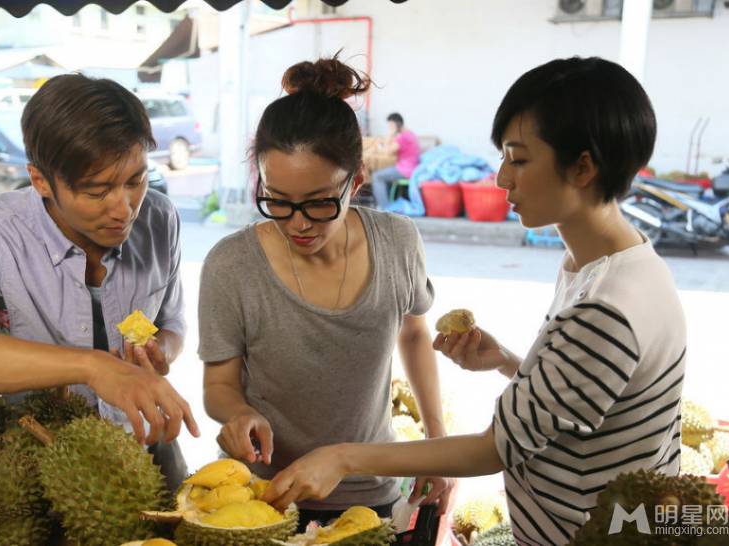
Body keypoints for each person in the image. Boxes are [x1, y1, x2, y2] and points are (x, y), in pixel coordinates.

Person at [262, 57, 686, 546]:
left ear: (583, 166)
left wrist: (343, 456)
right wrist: (508, 362)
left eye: (519, 159)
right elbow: (593, 401)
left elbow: (494, 449)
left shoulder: (607, 306)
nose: (502, 178)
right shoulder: (608, 265)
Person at [0, 74, 199, 489]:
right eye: (97, 191)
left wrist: (158, 352)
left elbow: (172, 323)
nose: (124, 208)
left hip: (145, 451)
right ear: (41, 180)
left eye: (135, 180)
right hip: (37, 466)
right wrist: (93, 368)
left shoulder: (159, 218)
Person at [198, 56, 455, 532]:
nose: (297, 223)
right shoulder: (231, 265)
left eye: (319, 203)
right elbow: (219, 385)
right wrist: (238, 414)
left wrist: (435, 438)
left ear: (355, 182)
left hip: (369, 492)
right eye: (276, 200)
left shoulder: (397, 243)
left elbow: (415, 335)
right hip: (260, 497)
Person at [370, 112, 420, 209]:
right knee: (383, 175)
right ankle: (387, 204)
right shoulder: (409, 134)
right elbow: (391, 150)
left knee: (377, 176)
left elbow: (388, 151)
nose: (389, 128)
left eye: (390, 126)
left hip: (406, 170)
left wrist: (390, 134)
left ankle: (385, 207)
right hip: (410, 167)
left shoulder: (403, 137)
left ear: (395, 124)